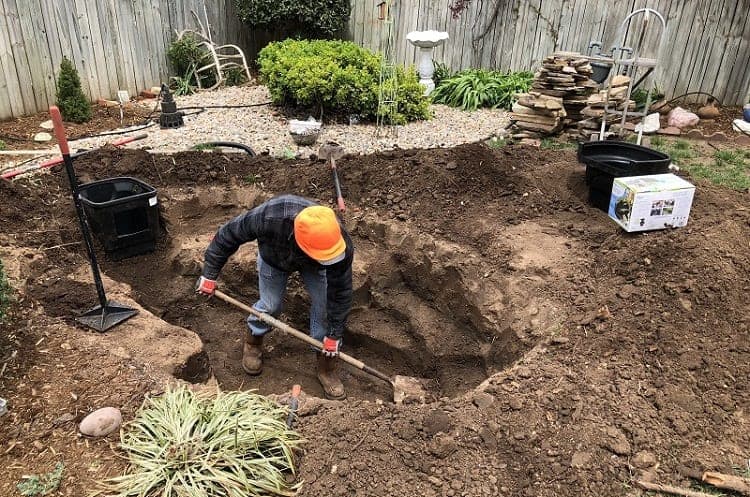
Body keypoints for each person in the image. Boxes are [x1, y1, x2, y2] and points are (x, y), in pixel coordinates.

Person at [195, 194, 353, 400]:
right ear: (301, 243)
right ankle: (253, 342)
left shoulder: (336, 245)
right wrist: (209, 274)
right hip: (274, 258)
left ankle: (326, 366)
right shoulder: (270, 217)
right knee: (270, 305)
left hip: (316, 266)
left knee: (324, 311)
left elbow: (340, 293)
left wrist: (333, 335)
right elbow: (227, 235)